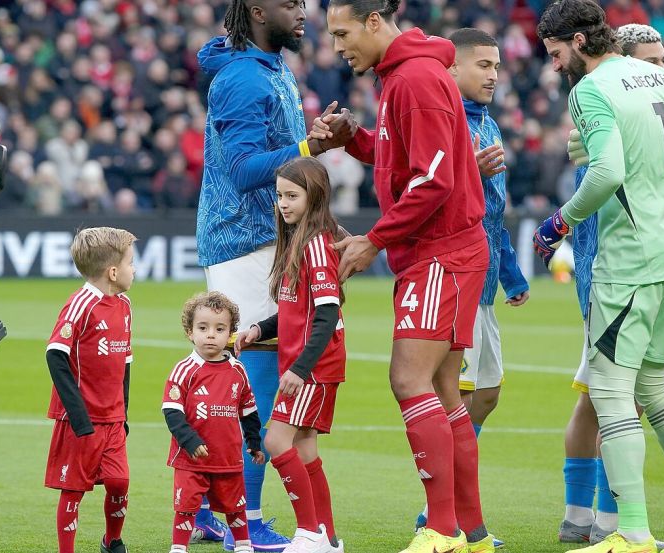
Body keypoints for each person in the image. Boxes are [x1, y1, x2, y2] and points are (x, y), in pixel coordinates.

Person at [535, 2, 664, 551]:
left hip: (632, 259)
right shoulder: (663, 76)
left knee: (613, 393)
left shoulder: (590, 89)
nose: (554, 66)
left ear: (577, 39)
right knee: (654, 384)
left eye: (555, 54)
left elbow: (608, 171)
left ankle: (634, 532)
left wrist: (557, 224)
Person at [319, 2, 494, 551]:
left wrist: (374, 239)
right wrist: (355, 138)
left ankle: (441, 530)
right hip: (447, 249)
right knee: (443, 387)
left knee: (409, 381)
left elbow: (433, 180)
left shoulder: (414, 78)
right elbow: (406, 158)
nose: (337, 45)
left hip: (440, 251)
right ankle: (473, 532)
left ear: (375, 21)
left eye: (342, 32)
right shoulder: (405, 74)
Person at [196, 0, 354, 549]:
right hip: (244, 240)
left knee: (261, 387)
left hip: (267, 237)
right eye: (291, 4)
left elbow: (272, 155)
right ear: (258, 10)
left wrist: (309, 137)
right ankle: (245, 517)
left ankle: (220, 511)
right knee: (258, 389)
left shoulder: (269, 67)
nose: (304, 12)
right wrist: (311, 145)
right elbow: (243, 172)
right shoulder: (242, 78)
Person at [409, 27, 530, 547]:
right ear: (451, 68)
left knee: (487, 395)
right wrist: (468, 174)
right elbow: (427, 192)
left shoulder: (487, 125)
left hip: (482, 280)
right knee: (453, 397)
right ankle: (445, 512)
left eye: (498, 66)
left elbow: (493, 213)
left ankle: (449, 501)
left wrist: (510, 273)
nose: (494, 75)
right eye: (483, 65)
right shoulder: (445, 119)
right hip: (451, 275)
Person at [234, 157, 347, 553]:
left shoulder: (316, 244)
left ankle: (308, 533)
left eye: (292, 195)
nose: (283, 203)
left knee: (276, 441)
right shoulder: (300, 238)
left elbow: (328, 313)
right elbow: (294, 310)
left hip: (313, 366)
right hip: (312, 364)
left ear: (314, 196)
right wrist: (258, 330)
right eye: (280, 195)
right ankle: (328, 537)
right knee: (305, 449)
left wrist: (301, 368)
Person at [45, 226, 135, 553]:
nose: (134, 270)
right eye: (130, 263)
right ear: (113, 271)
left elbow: (125, 361)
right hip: (79, 420)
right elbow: (55, 354)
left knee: (119, 481)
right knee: (73, 489)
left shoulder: (124, 305)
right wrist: (78, 415)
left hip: (112, 418)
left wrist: (123, 410)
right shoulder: (81, 303)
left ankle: (112, 541)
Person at [162, 291, 265, 553]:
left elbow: (249, 410)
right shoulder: (184, 370)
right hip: (191, 459)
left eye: (220, 329)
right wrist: (191, 442)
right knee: (185, 506)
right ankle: (178, 548)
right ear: (190, 332)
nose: (211, 334)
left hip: (228, 456)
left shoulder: (238, 370)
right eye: (203, 328)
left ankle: (243, 546)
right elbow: (172, 412)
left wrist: (254, 442)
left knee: (236, 505)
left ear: (230, 333)